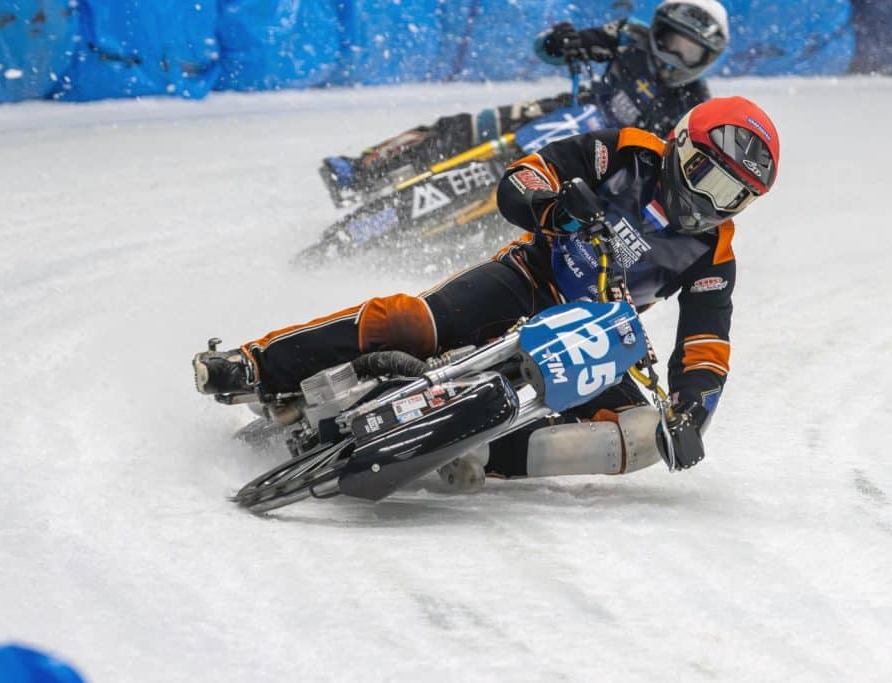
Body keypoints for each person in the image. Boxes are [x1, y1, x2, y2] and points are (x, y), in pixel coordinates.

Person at [195, 95, 779, 492]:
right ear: (681, 146)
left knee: (643, 435)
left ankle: (478, 455)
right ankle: (254, 365)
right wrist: (554, 207)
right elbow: (524, 177)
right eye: (709, 178)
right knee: (412, 321)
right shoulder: (625, 149)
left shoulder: (715, 252)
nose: (711, 203)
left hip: (593, 337)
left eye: (734, 196)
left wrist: (692, 412)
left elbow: (706, 345)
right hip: (528, 278)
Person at [322, 0, 730, 204]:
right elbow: (548, 49)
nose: (674, 56)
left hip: (607, 158)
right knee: (463, 127)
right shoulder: (628, 35)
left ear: (706, 59)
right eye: (670, 41)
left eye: (689, 52)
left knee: (563, 212)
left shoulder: (695, 104)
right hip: (566, 110)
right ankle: (361, 171)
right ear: (656, 30)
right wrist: (561, 41)